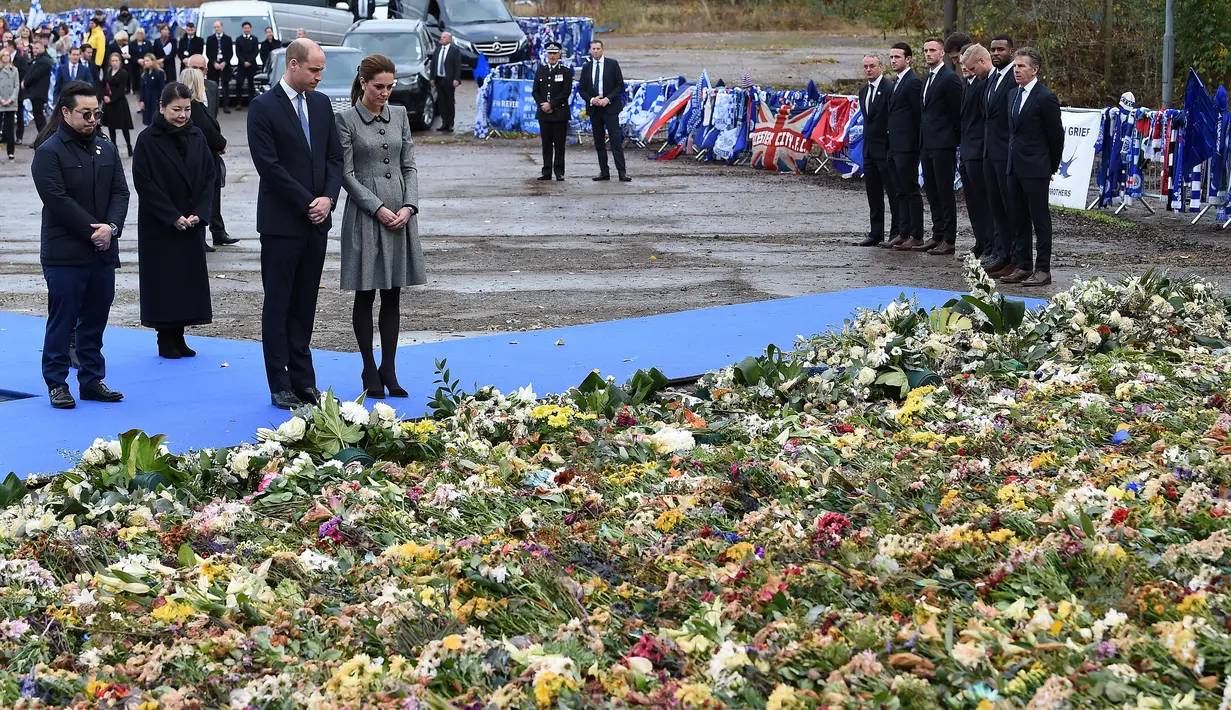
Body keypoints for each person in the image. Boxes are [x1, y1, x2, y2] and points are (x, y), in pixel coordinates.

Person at [247, 38, 343, 410]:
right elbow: (269, 167)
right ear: (293, 65)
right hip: (281, 224)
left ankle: (305, 381)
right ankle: (279, 382)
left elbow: (335, 158)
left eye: (321, 70)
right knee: (278, 304)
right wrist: (307, 202)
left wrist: (328, 199)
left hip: (317, 223)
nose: (320, 76)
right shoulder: (262, 107)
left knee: (305, 304)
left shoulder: (321, 105)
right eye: (315, 69)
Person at [31, 80, 130, 409]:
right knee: (63, 320)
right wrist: (94, 231)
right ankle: (57, 382)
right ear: (65, 113)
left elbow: (120, 192)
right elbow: (58, 201)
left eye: (96, 113)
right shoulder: (49, 153)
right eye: (85, 113)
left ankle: (91, 379)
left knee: (96, 318)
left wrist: (112, 228)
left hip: (102, 253)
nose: (92, 119)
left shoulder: (106, 147)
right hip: (65, 255)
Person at [338, 54, 424, 398]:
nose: (385, 93)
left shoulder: (400, 115)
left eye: (390, 86)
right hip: (365, 216)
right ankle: (368, 368)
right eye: (379, 87)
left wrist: (409, 205)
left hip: (401, 214)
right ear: (363, 83)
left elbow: (410, 166)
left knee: (393, 293)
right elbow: (345, 174)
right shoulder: (345, 120)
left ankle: (389, 368)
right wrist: (377, 208)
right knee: (366, 292)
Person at [132, 81, 217, 360]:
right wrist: (171, 216)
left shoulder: (197, 136)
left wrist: (200, 214)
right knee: (164, 281)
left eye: (187, 109)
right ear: (162, 108)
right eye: (176, 109)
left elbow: (208, 178)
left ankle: (179, 335)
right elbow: (144, 183)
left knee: (186, 281)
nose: (182, 115)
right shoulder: (147, 139)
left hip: (191, 221)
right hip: (161, 223)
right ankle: (164, 337)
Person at [1001, 47, 1063, 287]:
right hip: (1014, 166)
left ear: (1034, 69)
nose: (1016, 70)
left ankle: (1043, 269)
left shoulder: (1045, 97)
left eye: (1021, 66)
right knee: (1018, 218)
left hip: (1036, 167)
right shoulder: (1012, 95)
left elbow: (1056, 136)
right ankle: (1023, 264)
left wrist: (1050, 166)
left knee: (1040, 219)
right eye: (1015, 66)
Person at [179, 67, 235, 251]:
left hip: (208, 156)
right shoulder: (193, 107)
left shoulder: (196, 105)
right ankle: (202, 236)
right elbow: (207, 130)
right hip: (204, 158)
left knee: (211, 197)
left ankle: (215, 232)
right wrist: (222, 144)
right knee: (203, 197)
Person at [916, 37, 962, 256]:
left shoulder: (950, 78)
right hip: (927, 143)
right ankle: (937, 234)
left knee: (945, 192)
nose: (928, 54)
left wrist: (952, 140)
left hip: (943, 144)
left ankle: (948, 239)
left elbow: (956, 113)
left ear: (942, 53)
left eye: (932, 50)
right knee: (931, 191)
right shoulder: (927, 78)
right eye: (925, 50)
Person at [853, 52, 898, 247]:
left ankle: (897, 232)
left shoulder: (889, 89)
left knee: (893, 193)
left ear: (881, 67)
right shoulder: (863, 91)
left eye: (872, 66)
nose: (869, 70)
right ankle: (876, 232)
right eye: (866, 66)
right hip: (869, 150)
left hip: (886, 149)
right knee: (873, 193)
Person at [981, 34, 1017, 277]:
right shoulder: (992, 78)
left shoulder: (1014, 80)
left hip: (1006, 153)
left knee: (1009, 208)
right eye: (993, 49)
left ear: (1011, 52)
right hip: (988, 152)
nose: (996, 53)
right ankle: (1000, 252)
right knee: (995, 206)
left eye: (1001, 49)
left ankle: (1014, 256)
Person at [883, 42, 923, 250]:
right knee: (899, 190)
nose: (893, 60)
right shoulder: (896, 82)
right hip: (894, 144)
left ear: (908, 59)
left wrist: (915, 143)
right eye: (891, 57)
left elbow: (918, 115)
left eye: (897, 57)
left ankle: (916, 234)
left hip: (907, 145)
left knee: (910, 190)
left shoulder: (913, 82)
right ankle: (903, 231)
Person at [959, 44, 993, 260]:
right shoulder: (969, 84)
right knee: (973, 203)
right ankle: (982, 242)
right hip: (967, 150)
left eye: (970, 67)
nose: (967, 71)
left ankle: (990, 245)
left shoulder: (983, 84)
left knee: (984, 202)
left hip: (979, 151)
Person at [578, 39, 629, 182]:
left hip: (610, 108)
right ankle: (604, 171)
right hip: (595, 109)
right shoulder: (587, 67)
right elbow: (581, 89)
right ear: (590, 50)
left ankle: (622, 172)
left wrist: (608, 99)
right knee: (599, 141)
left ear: (602, 50)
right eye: (593, 49)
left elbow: (620, 85)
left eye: (598, 49)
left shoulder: (612, 64)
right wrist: (591, 99)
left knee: (615, 140)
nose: (595, 51)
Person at [533, 41, 572, 181]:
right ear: (546, 54)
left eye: (555, 53)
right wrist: (543, 105)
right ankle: (546, 171)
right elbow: (535, 91)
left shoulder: (565, 71)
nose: (552, 56)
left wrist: (552, 105)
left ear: (559, 54)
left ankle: (559, 171)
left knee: (559, 144)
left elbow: (565, 92)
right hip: (544, 114)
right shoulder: (541, 70)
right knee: (546, 144)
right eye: (550, 53)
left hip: (559, 113)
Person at [101, 52, 133, 155]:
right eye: (113, 61)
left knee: (124, 127)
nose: (114, 63)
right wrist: (104, 96)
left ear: (120, 61)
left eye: (116, 61)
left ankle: (129, 146)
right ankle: (114, 147)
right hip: (109, 103)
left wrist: (112, 99)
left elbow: (121, 89)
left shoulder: (123, 73)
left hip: (119, 102)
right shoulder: (108, 71)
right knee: (111, 127)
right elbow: (103, 85)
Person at [429, 31, 460, 132]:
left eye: (444, 37)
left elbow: (457, 66)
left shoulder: (454, 50)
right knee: (441, 102)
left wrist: (456, 79)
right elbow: (433, 64)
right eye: (441, 37)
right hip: (439, 79)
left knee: (449, 102)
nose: (441, 39)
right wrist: (432, 78)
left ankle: (450, 123)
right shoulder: (437, 50)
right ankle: (444, 122)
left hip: (449, 80)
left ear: (449, 39)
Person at [22, 39, 53, 135]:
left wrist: (25, 82)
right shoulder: (38, 59)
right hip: (35, 92)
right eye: (34, 48)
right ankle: (42, 136)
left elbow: (35, 75)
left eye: (37, 48)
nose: (35, 50)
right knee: (38, 115)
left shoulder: (44, 61)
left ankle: (43, 136)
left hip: (38, 92)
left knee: (39, 116)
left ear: (43, 48)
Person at [206, 21, 233, 114]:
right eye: (215, 27)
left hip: (225, 66)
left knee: (225, 86)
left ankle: (226, 105)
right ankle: (213, 105)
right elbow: (208, 53)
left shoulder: (228, 39)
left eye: (218, 27)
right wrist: (214, 63)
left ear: (222, 27)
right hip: (213, 66)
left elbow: (230, 53)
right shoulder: (210, 39)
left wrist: (224, 63)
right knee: (213, 86)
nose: (216, 28)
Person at [186, 54, 220, 118]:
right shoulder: (179, 88)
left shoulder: (213, 86)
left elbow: (214, 113)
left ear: (206, 71)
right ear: (187, 68)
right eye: (195, 68)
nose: (198, 71)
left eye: (201, 68)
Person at [234, 22, 259, 108]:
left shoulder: (255, 39)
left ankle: (251, 102)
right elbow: (237, 52)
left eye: (248, 28)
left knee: (251, 84)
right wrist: (243, 62)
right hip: (241, 66)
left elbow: (256, 52)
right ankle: (239, 103)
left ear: (250, 29)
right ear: (242, 29)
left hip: (251, 65)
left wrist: (249, 62)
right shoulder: (238, 39)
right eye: (245, 28)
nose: (246, 29)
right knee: (239, 83)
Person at [0, 52, 18, 160]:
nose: (6, 57)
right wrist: (1, 99)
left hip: (11, 103)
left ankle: (11, 151)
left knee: (10, 128)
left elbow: (17, 86)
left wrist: (11, 99)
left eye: (8, 55)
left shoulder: (14, 70)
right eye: (4, 55)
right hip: (1, 102)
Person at [138, 54, 164, 126]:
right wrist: (141, 100)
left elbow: (162, 88)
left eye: (147, 61)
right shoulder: (144, 73)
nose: (145, 63)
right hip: (146, 99)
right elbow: (142, 88)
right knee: (147, 120)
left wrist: (160, 101)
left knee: (155, 119)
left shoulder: (159, 73)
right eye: (144, 61)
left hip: (155, 99)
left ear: (153, 61)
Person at [129, 27, 152, 93]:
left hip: (147, 66)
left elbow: (151, 54)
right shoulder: (132, 44)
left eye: (141, 34)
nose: (140, 35)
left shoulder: (148, 43)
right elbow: (130, 56)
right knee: (137, 87)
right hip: (135, 67)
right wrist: (137, 60)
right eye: (138, 34)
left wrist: (145, 61)